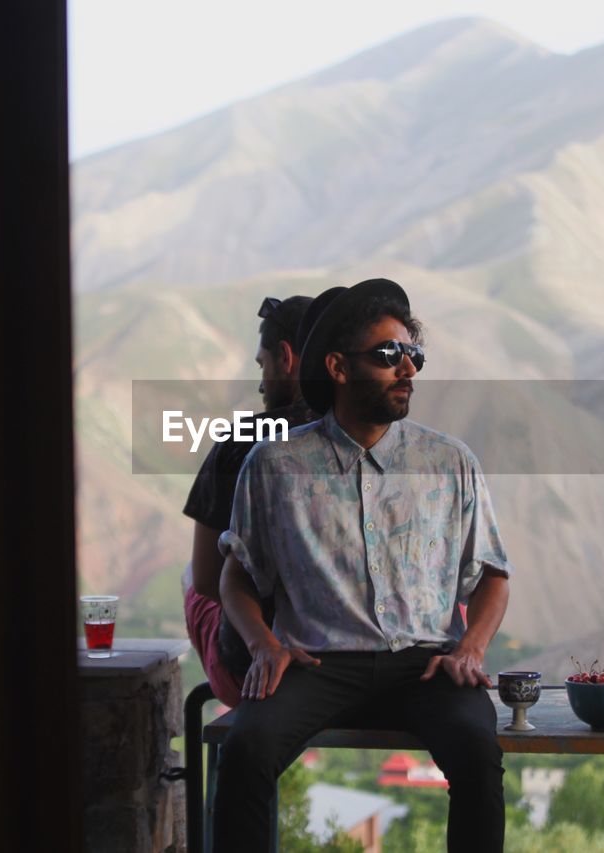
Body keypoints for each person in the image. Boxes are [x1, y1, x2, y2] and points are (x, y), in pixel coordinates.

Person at [215, 278, 512, 852]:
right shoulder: (275, 464)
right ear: (338, 367)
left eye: (413, 355)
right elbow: (236, 575)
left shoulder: (448, 461)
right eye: (388, 355)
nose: (407, 369)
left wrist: (470, 647)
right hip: (318, 663)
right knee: (245, 750)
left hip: (426, 664)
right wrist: (263, 645)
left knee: (477, 749)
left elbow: (493, 573)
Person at [181, 295, 317, 708]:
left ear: (287, 358)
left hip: (249, 670)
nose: (261, 384)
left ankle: (227, 758)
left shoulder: (242, 444)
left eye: (263, 365)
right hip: (342, 664)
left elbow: (208, 581)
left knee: (192, 575)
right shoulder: (360, 438)